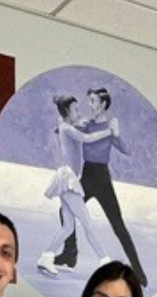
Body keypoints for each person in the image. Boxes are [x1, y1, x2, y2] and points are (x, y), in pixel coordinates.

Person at [50, 86, 146, 286]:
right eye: (89, 101)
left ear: (103, 104)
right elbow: (65, 130)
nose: (90, 105)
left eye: (93, 101)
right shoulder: (87, 124)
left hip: (102, 178)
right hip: (87, 176)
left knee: (118, 225)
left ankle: (138, 271)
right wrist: (63, 123)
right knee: (64, 211)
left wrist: (116, 134)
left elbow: (126, 150)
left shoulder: (110, 126)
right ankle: (70, 253)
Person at [35, 93, 113, 277]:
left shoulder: (66, 126)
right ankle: (106, 262)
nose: (79, 112)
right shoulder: (66, 128)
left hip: (68, 178)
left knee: (68, 227)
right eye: (75, 109)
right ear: (66, 111)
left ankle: (46, 258)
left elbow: (77, 125)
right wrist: (108, 132)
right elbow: (86, 138)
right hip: (68, 180)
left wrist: (81, 120)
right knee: (88, 223)